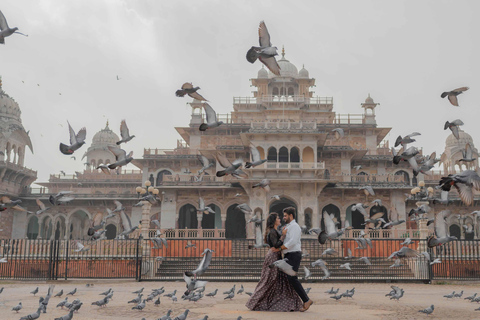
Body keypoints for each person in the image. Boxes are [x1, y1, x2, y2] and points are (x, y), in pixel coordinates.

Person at [246, 213, 303, 312]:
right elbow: (276, 245)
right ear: (274, 221)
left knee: (279, 281)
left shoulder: (275, 231)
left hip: (276, 257)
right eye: (277, 218)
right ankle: (254, 301)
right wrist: (283, 235)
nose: (280, 219)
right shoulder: (272, 231)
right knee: (269, 280)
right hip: (273, 257)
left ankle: (281, 304)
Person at [279, 207, 313, 312]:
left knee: (292, 278)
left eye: (285, 215)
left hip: (293, 254)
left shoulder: (294, 226)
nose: (283, 217)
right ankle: (292, 302)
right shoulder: (288, 226)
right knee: (288, 279)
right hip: (289, 255)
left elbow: (293, 242)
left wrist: (280, 248)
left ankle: (306, 300)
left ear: (291, 215)